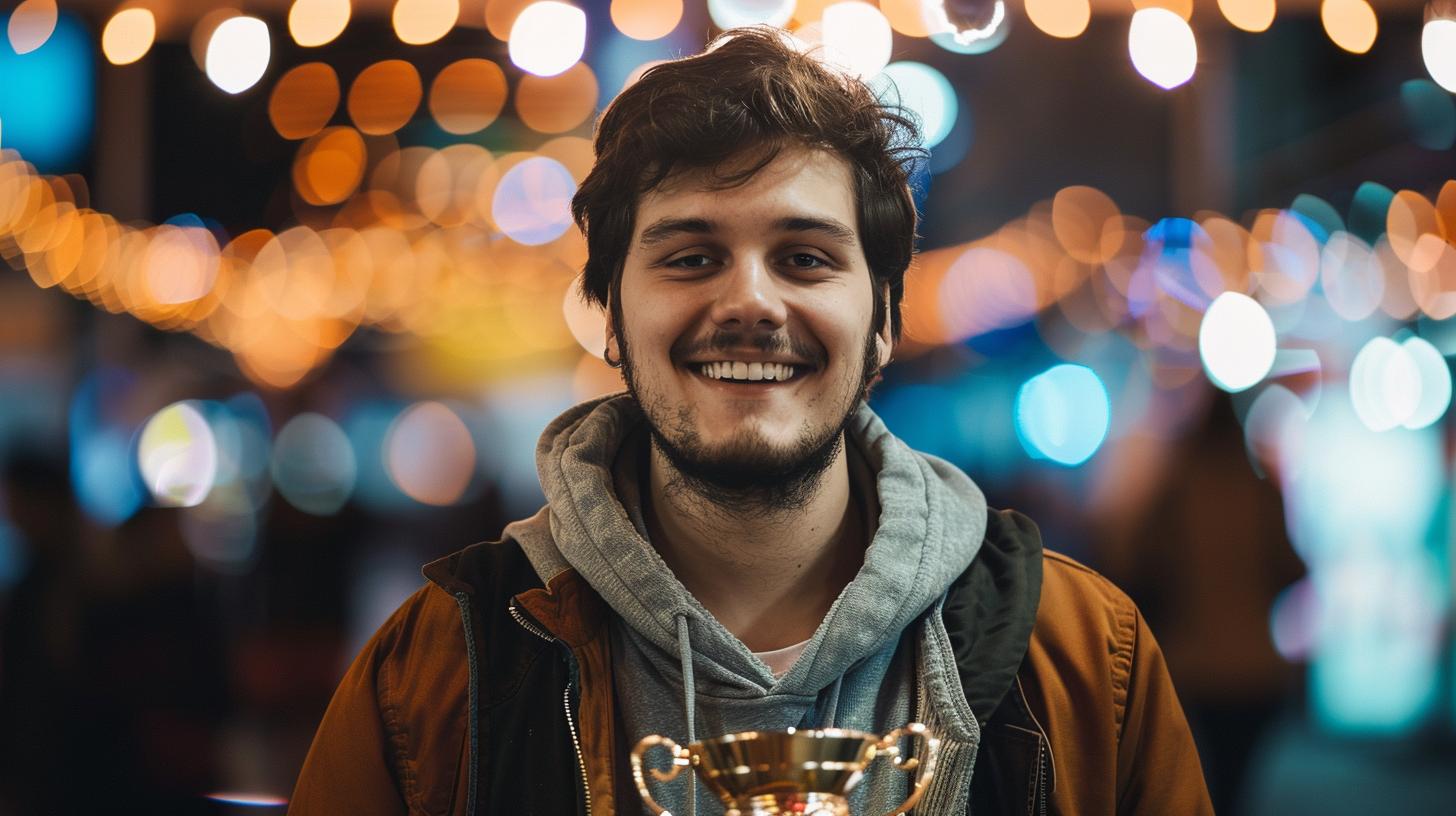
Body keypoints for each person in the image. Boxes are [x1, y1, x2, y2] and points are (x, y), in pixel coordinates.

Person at [289, 27, 1213, 816]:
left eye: (806, 258)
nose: (751, 304)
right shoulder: (438, 671)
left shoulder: (1088, 655)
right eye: (691, 257)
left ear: (884, 319)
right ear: (610, 316)